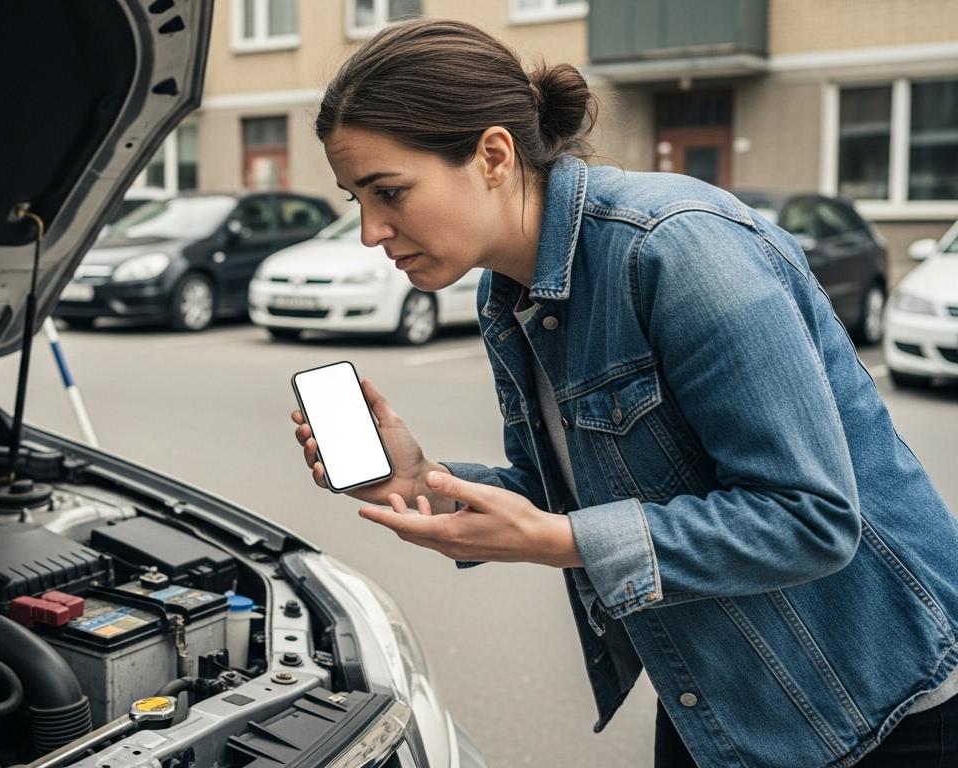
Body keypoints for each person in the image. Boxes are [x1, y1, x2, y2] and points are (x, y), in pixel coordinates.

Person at [290, 18, 958, 768]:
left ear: (493, 156)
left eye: (390, 192)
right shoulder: (506, 294)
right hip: (726, 692)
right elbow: (576, 493)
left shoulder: (678, 247)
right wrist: (428, 483)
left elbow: (812, 517)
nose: (371, 232)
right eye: (355, 200)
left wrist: (561, 545)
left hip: (883, 702)